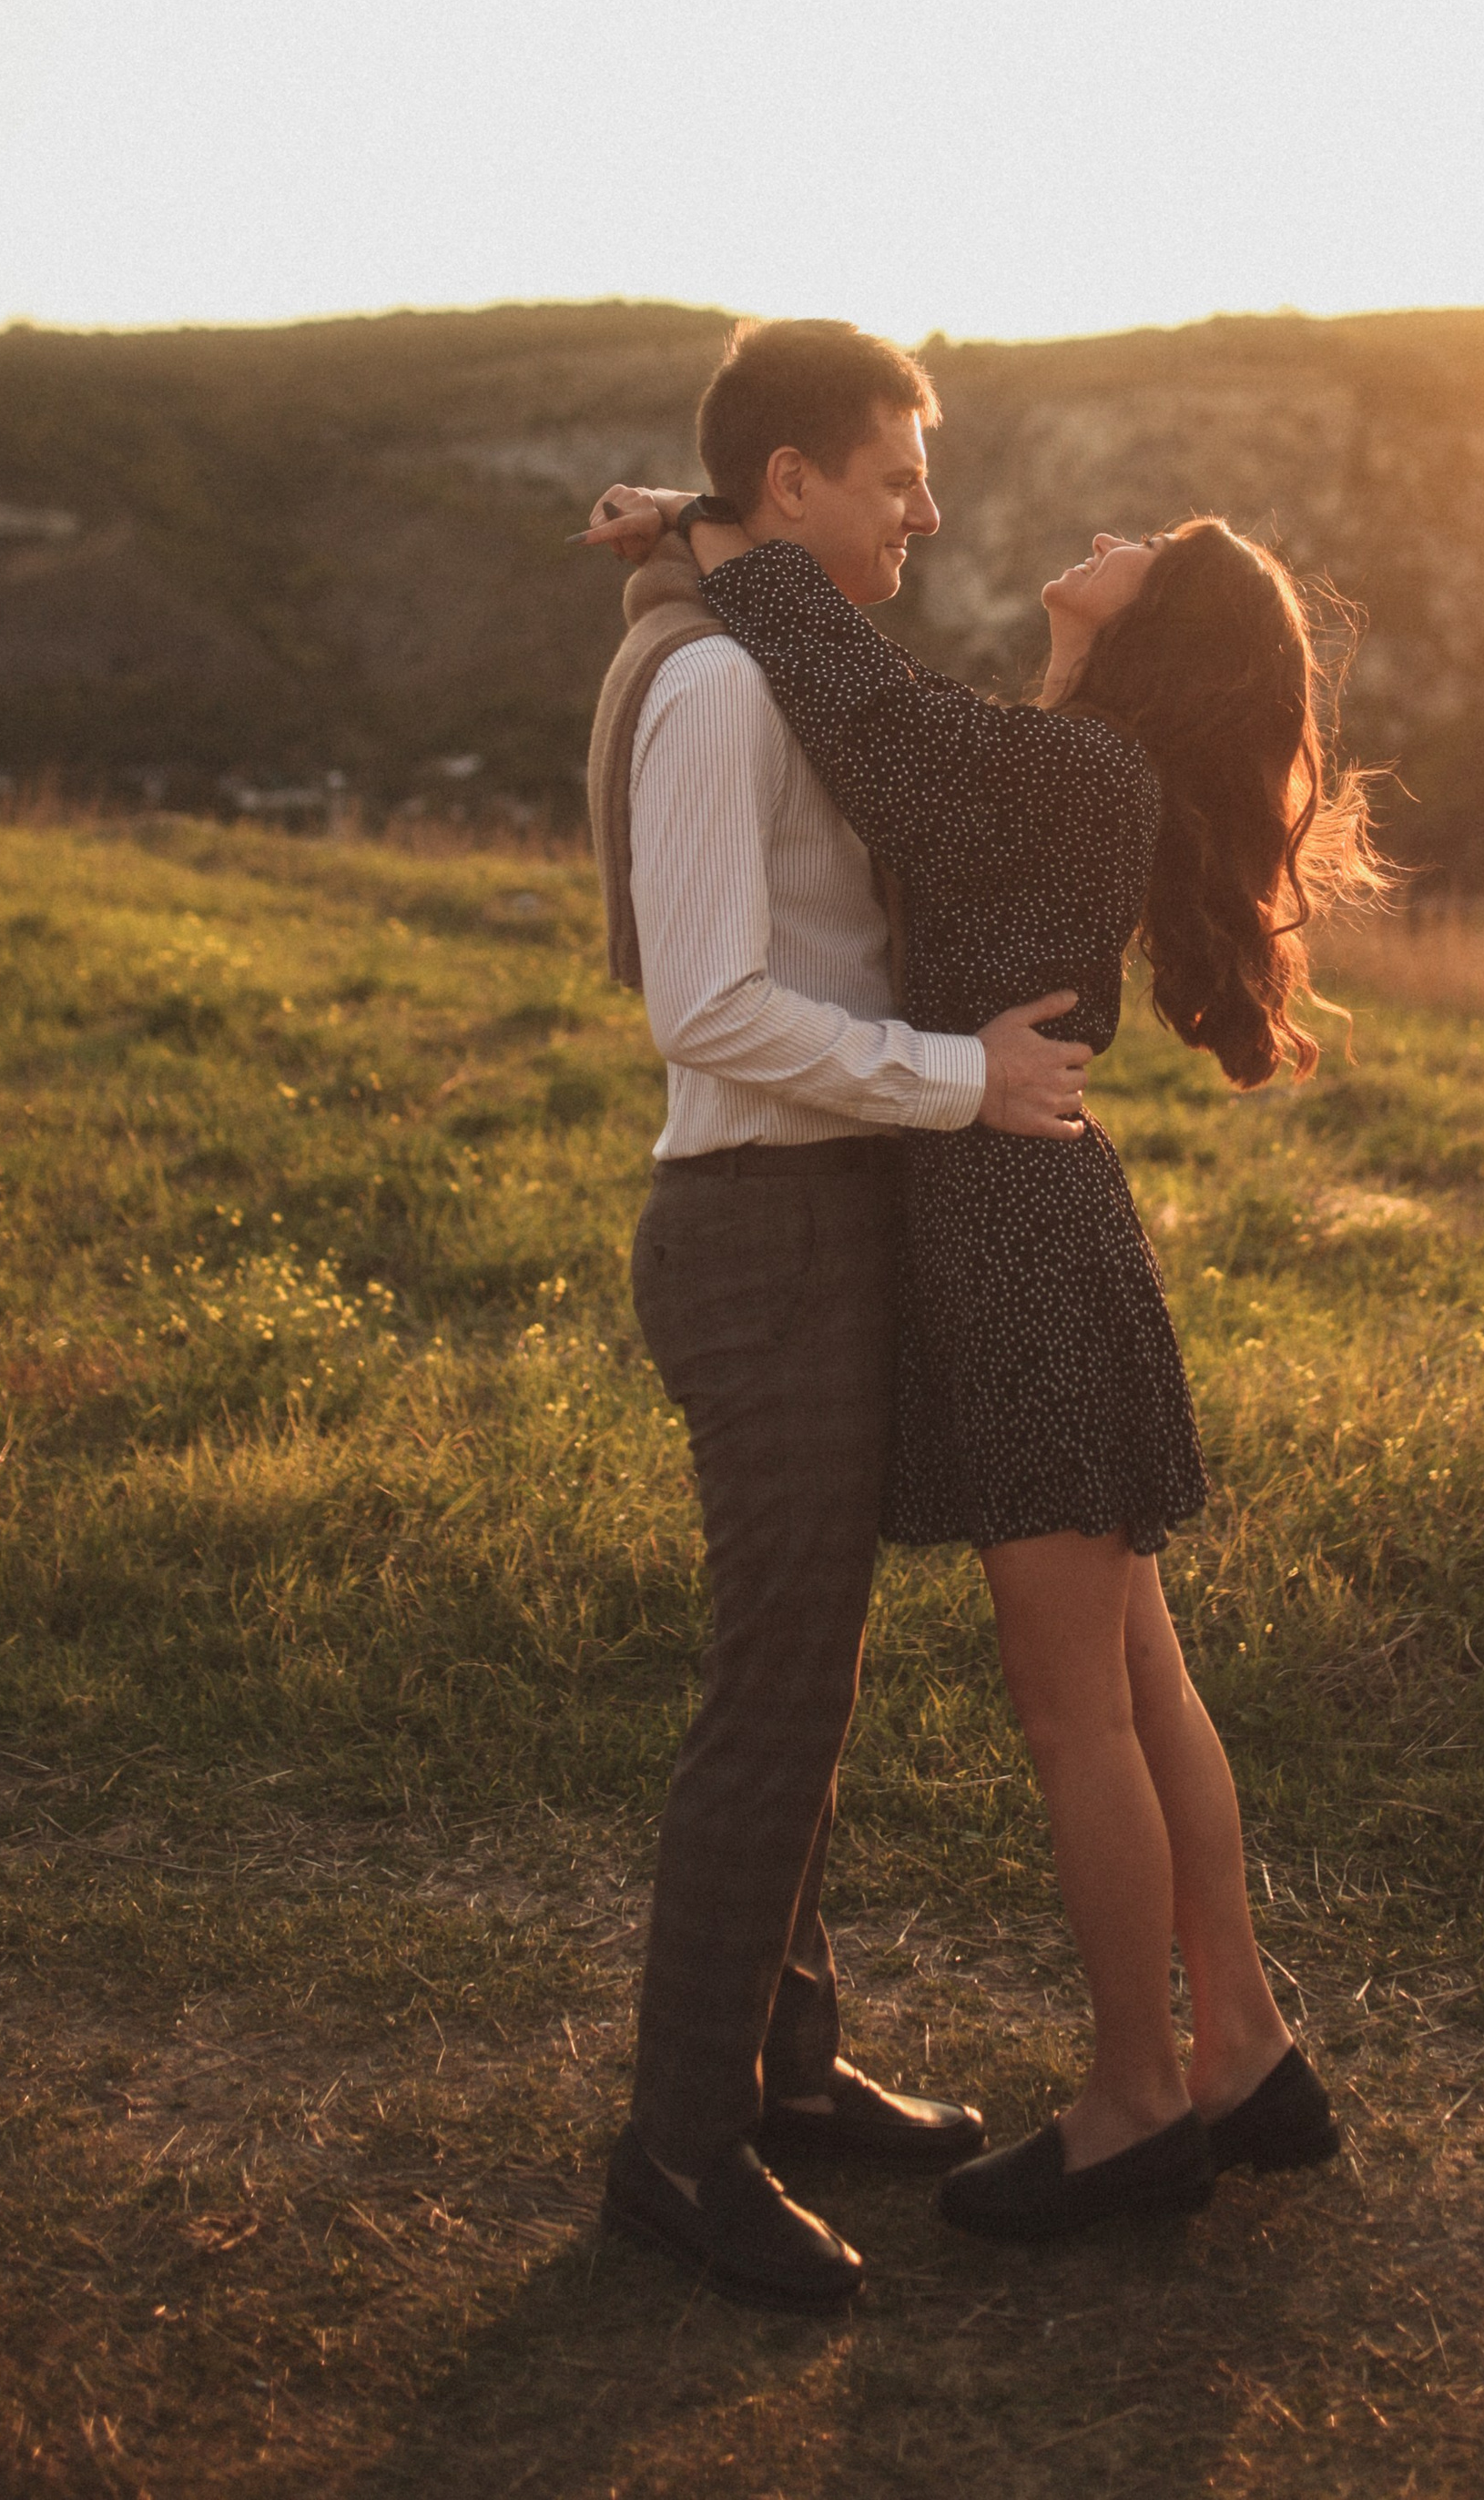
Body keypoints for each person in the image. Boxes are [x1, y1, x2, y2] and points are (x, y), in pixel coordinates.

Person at [584, 471, 1387, 2251]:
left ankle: (1130, 2104)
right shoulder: (1072, 757)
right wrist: (714, 529)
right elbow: (887, 731)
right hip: (1036, 1236)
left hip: (1021, 1259)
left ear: (1155, 624)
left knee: (1076, 1712)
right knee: (1142, 1690)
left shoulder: (1072, 772)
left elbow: (859, 714)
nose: (1111, 536)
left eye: (1151, 550)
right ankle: (1240, 2049)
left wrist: (722, 534)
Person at [590, 320, 1097, 2316]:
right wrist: (956, 1079)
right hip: (757, 1233)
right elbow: (701, 1007)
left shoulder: (761, 635)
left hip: (809, 1223)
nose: (929, 506)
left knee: (812, 1682)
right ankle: (673, 2148)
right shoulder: (717, 690)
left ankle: (784, 2077)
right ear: (789, 487)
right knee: (770, 1699)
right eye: (895, 471)